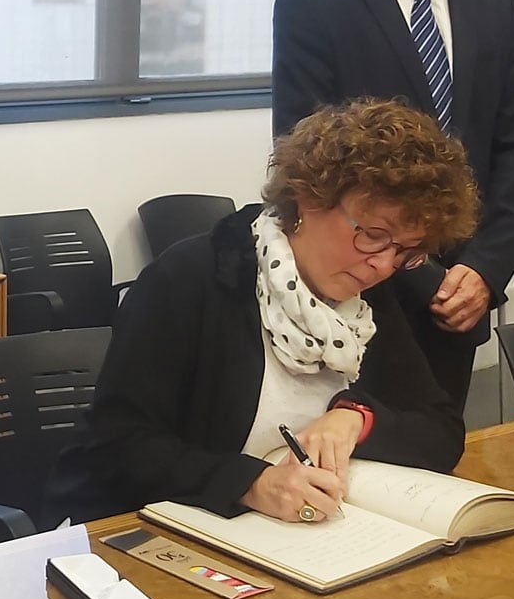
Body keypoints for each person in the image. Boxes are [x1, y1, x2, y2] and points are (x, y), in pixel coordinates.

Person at [49, 99, 479, 526]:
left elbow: (441, 430)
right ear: (309, 198)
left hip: (300, 536)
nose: (384, 264)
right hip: (164, 532)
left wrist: (357, 417)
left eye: (406, 250)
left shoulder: (367, 295)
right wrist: (251, 484)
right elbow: (116, 447)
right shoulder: (192, 279)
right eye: (374, 235)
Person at [271, 0, 514, 409]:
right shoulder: (314, 4)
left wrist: (485, 271)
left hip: (466, 297)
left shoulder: (493, 3)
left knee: (436, 465)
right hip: (361, 294)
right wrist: (424, 278)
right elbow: (309, 162)